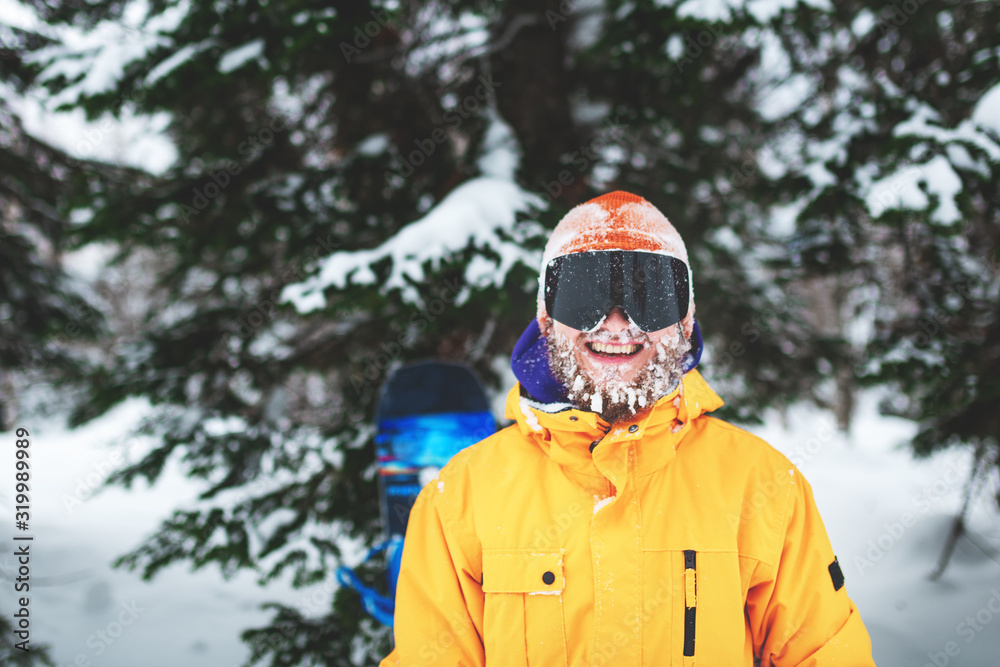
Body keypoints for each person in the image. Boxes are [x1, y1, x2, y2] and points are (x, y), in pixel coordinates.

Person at [379, 191, 875, 666]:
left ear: (685, 320)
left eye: (649, 295)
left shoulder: (763, 486)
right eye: (583, 295)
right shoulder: (460, 497)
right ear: (547, 319)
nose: (617, 325)